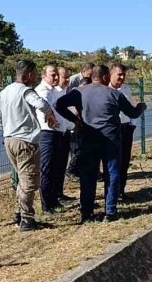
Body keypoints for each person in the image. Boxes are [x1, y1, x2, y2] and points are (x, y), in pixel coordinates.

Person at [55, 64, 146, 223]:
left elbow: (58, 105)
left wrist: (76, 120)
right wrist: (140, 107)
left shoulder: (79, 92)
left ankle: (87, 213)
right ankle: (110, 212)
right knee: (112, 174)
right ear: (105, 77)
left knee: (88, 176)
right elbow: (131, 113)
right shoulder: (114, 94)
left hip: (88, 139)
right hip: (111, 140)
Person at [0, 60, 57, 231]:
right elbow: (41, 104)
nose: (36, 77)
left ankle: (19, 212)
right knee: (29, 182)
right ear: (28, 74)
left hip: (9, 140)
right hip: (25, 142)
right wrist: (50, 115)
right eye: (35, 73)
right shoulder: (26, 91)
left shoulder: (5, 92)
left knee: (23, 180)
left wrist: (9, 130)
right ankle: (27, 220)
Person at [35, 66, 73, 213]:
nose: (56, 78)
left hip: (58, 133)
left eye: (57, 75)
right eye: (53, 75)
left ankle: (53, 199)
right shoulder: (43, 91)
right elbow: (45, 106)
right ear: (44, 76)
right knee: (47, 169)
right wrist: (50, 115)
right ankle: (47, 205)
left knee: (56, 168)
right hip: (47, 134)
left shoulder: (53, 90)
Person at [108, 63, 137, 200]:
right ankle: (111, 194)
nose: (121, 77)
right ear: (111, 74)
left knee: (124, 161)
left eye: (123, 75)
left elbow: (132, 108)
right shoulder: (105, 90)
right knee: (113, 163)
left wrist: (132, 125)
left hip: (126, 128)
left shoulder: (126, 89)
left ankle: (121, 191)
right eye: (119, 74)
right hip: (112, 130)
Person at [65, 63, 94, 178]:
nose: (92, 76)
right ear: (85, 71)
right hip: (74, 114)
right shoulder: (73, 80)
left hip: (84, 115)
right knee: (76, 147)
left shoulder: (91, 81)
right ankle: (72, 169)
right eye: (90, 74)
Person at [55, 67, 74, 202]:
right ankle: (54, 196)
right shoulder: (53, 93)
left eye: (68, 77)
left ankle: (59, 193)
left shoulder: (65, 92)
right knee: (54, 167)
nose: (67, 80)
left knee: (62, 166)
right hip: (55, 134)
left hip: (66, 132)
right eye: (64, 77)